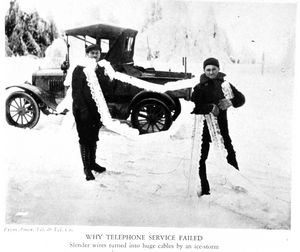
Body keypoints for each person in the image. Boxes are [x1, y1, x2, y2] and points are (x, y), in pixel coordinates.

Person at [191, 57, 245, 195]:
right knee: (201, 157)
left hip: (221, 128)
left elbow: (241, 99)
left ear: (218, 69)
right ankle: (204, 188)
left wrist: (230, 102)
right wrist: (210, 107)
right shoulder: (199, 88)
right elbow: (196, 107)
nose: (211, 72)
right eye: (208, 70)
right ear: (204, 71)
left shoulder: (225, 85)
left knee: (230, 153)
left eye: (213, 69)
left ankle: (237, 184)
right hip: (204, 127)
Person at [72, 44, 110, 181]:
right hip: (82, 109)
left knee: (93, 137)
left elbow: (104, 90)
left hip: (96, 110)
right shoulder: (79, 69)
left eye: (97, 53)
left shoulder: (100, 69)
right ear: (87, 54)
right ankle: (86, 168)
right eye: (92, 53)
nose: (95, 55)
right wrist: (83, 109)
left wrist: (108, 77)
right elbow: (76, 93)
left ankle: (92, 163)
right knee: (84, 138)